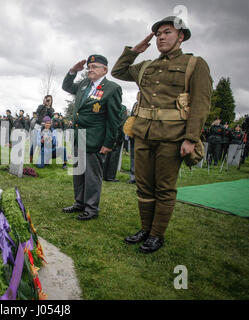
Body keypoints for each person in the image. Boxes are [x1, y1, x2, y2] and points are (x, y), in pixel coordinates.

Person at [112, 16, 212, 253]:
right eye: (158, 35)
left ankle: (157, 235)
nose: (161, 38)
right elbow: (118, 71)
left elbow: (200, 103)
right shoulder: (146, 66)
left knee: (164, 188)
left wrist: (191, 138)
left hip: (172, 137)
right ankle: (145, 229)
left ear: (181, 36)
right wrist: (134, 51)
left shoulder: (194, 64)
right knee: (144, 186)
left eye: (166, 32)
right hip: (144, 134)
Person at [62, 54, 123, 221]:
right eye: (89, 66)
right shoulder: (83, 84)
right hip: (78, 136)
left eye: (95, 66)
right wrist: (73, 70)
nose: (90, 69)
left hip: (95, 139)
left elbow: (113, 120)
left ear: (105, 70)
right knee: (78, 172)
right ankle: (79, 202)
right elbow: (66, 86)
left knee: (91, 175)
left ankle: (91, 208)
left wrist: (108, 143)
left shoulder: (112, 88)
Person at [103, 105, 128, 182]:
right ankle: (111, 176)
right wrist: (124, 138)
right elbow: (122, 124)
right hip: (117, 135)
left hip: (108, 134)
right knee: (114, 156)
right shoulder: (123, 108)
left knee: (107, 155)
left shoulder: (110, 106)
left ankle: (104, 174)